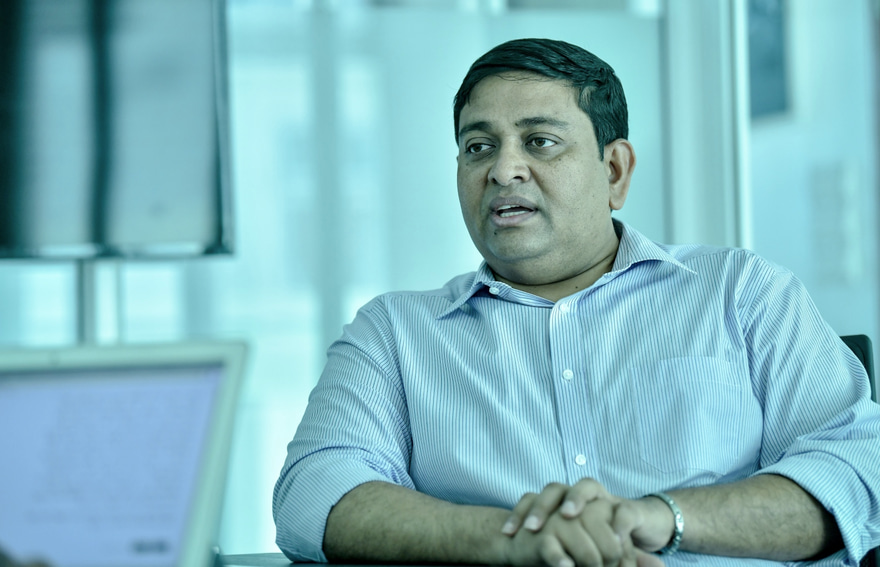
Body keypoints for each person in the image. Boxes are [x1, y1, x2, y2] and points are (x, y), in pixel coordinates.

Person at [272, 38, 880, 566]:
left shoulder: (742, 291)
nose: (504, 170)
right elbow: (311, 493)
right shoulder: (394, 332)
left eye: (539, 141)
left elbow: (860, 470)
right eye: (478, 146)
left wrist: (659, 518)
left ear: (614, 170)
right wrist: (512, 539)